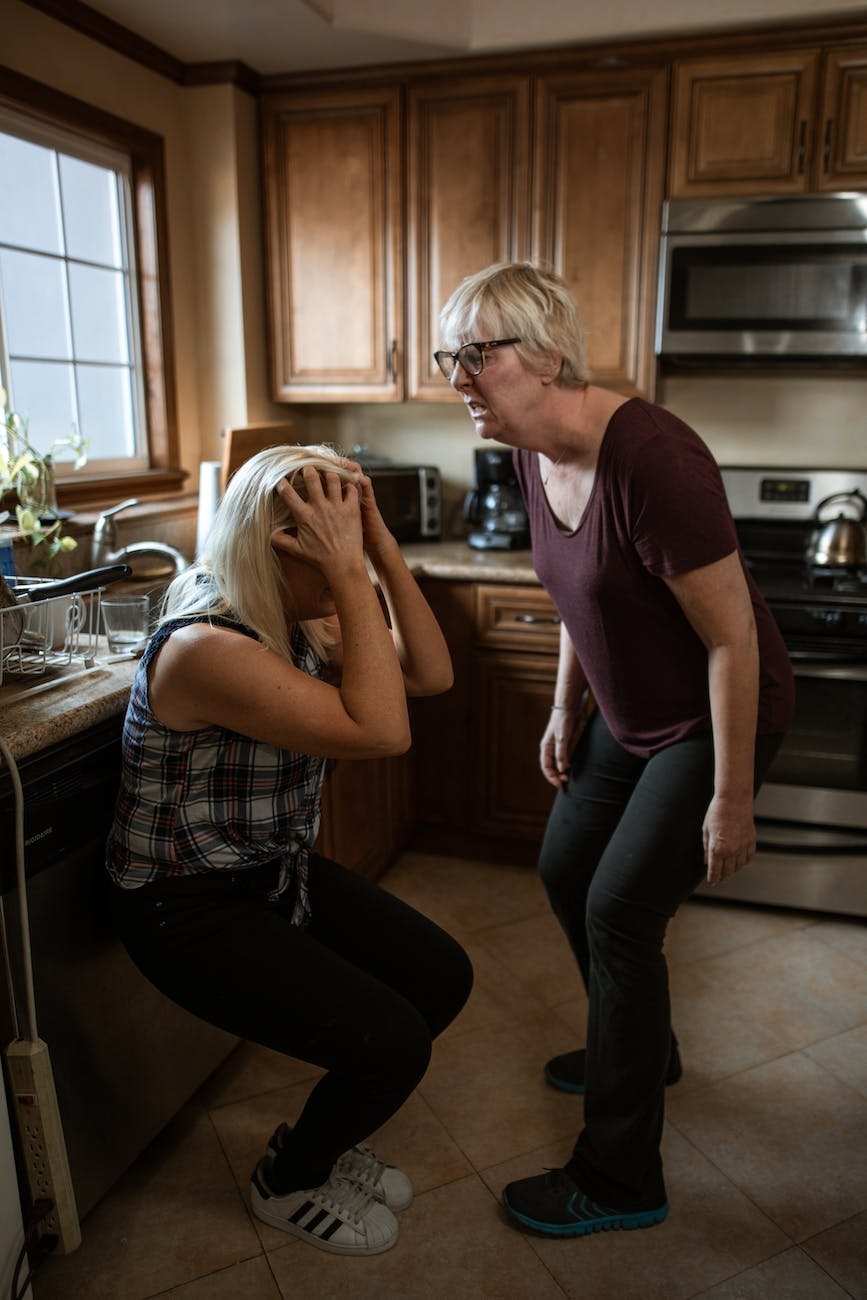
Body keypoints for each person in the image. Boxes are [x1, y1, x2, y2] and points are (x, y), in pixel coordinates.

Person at [435, 262, 794, 1238]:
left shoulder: (656, 459)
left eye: (477, 352)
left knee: (621, 911)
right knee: (563, 869)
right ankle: (642, 1042)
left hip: (711, 721)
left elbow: (733, 640)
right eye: (447, 356)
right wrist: (563, 709)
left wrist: (732, 796)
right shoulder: (523, 446)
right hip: (626, 720)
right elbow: (577, 593)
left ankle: (621, 1175)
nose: (457, 376)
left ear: (549, 355)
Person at [105, 444, 473, 1257]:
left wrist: (374, 544)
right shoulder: (209, 645)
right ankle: (290, 1180)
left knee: (441, 977)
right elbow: (383, 730)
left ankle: (313, 1144)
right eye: (326, 546)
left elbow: (432, 675)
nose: (346, 576)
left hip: (265, 875)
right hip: (182, 907)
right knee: (391, 1043)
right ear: (280, 548)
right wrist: (345, 572)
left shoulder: (291, 605)